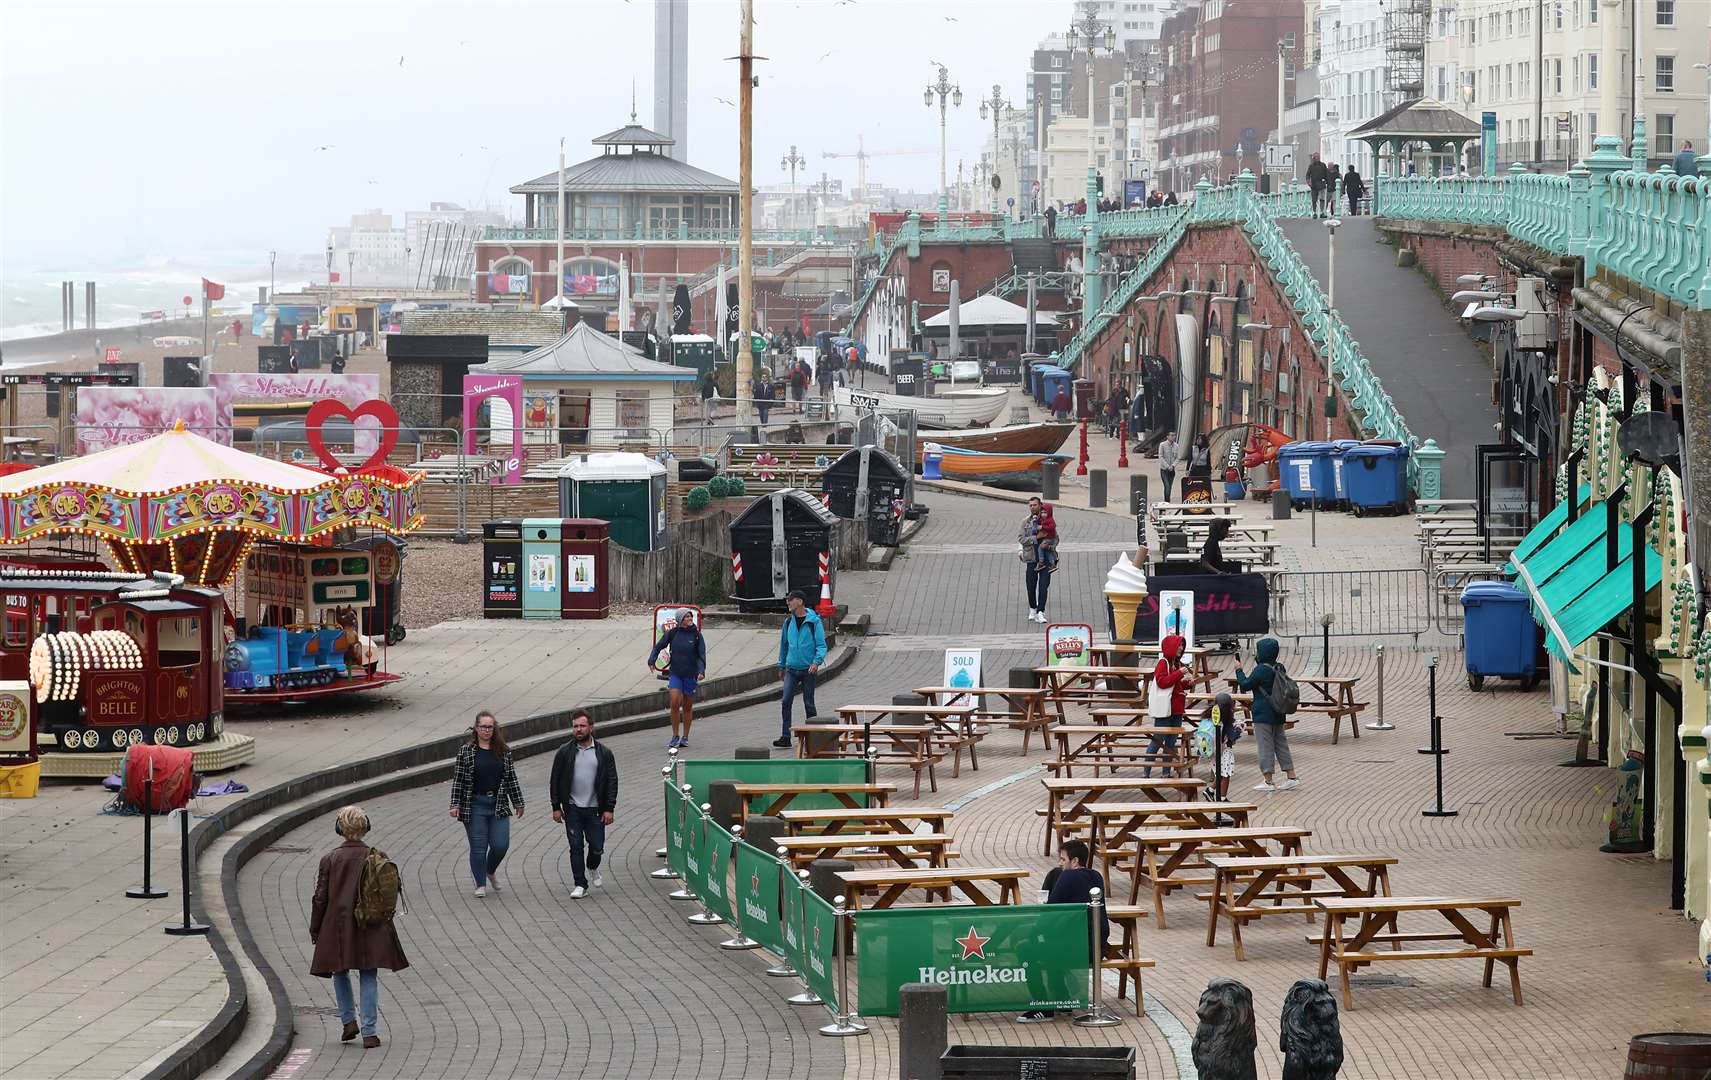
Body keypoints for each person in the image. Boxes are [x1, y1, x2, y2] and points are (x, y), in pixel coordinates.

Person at [310, 805, 409, 1049]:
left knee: (339, 971)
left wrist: (315, 928)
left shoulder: (330, 859)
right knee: (368, 974)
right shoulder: (377, 856)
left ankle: (347, 1021)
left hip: (338, 925)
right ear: (366, 828)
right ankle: (370, 1032)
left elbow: (320, 897)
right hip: (370, 924)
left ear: (339, 829)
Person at [1017, 839, 1108, 1023]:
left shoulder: (1068, 876)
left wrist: (1033, 933)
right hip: (1097, 947)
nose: (1060, 863)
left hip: (1077, 949)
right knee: (1052, 946)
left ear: (1074, 861)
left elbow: (1051, 912)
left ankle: (1042, 1006)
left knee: (1025, 949)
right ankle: (1063, 1000)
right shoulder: (1096, 876)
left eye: (1063, 859)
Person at [448, 711, 524, 898]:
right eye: (483, 727)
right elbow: (458, 780)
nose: (487, 730)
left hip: (498, 804)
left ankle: (490, 871)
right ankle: (480, 883)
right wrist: (454, 803)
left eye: (490, 727)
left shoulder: (503, 751)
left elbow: (511, 778)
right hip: (475, 805)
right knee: (479, 847)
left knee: (501, 845)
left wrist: (518, 801)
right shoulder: (466, 751)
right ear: (476, 728)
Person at [548, 712, 618, 899]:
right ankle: (580, 884)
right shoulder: (564, 752)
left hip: (595, 808)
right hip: (573, 809)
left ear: (591, 728)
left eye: (582, 726)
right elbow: (554, 780)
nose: (578, 730)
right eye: (575, 726)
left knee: (597, 847)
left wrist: (609, 808)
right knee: (575, 846)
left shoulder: (604, 753)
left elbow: (612, 781)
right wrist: (556, 806)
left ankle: (593, 866)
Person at [1234, 638, 1299, 792]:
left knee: (1265, 746)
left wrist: (1238, 670)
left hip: (1263, 715)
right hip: (1278, 711)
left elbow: (1245, 684)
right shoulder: (1279, 667)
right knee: (1281, 744)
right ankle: (1291, 776)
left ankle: (1268, 780)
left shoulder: (1261, 670)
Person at [771, 590, 827, 748]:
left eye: (791, 599)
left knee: (809, 703)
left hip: (808, 670)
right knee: (786, 701)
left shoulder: (813, 622)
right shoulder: (788, 622)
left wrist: (816, 662)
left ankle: (813, 737)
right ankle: (785, 736)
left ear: (800, 601)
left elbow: (821, 645)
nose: (788, 602)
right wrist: (781, 665)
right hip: (791, 669)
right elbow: (784, 645)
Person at [647, 609, 706, 749]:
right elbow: (658, 646)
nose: (690, 618)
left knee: (687, 706)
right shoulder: (672, 633)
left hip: (690, 674)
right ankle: (675, 735)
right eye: (686, 616)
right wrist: (652, 660)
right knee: (674, 702)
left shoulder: (697, 635)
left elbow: (701, 655)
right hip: (675, 673)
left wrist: (701, 670)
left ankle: (685, 737)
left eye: (690, 616)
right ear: (680, 619)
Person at [1144, 634, 1190, 777]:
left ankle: (1166, 772)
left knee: (1171, 741)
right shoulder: (1163, 663)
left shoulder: (1176, 663)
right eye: (1179, 645)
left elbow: (1175, 685)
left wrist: (1188, 683)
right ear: (1171, 647)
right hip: (1165, 708)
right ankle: (1146, 771)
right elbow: (1162, 682)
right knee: (1158, 740)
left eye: (1182, 645)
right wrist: (1179, 674)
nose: (1181, 648)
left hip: (1176, 708)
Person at [1157, 430, 1180, 501]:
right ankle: (1166, 502)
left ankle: (1167, 501)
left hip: (1172, 470)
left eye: (1174, 435)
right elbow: (1160, 456)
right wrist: (1167, 466)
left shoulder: (1176, 446)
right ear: (1167, 436)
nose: (1173, 437)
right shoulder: (1162, 445)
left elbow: (1178, 458)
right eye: (1171, 435)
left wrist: (1173, 466)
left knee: (1170, 487)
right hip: (1164, 470)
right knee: (1167, 486)